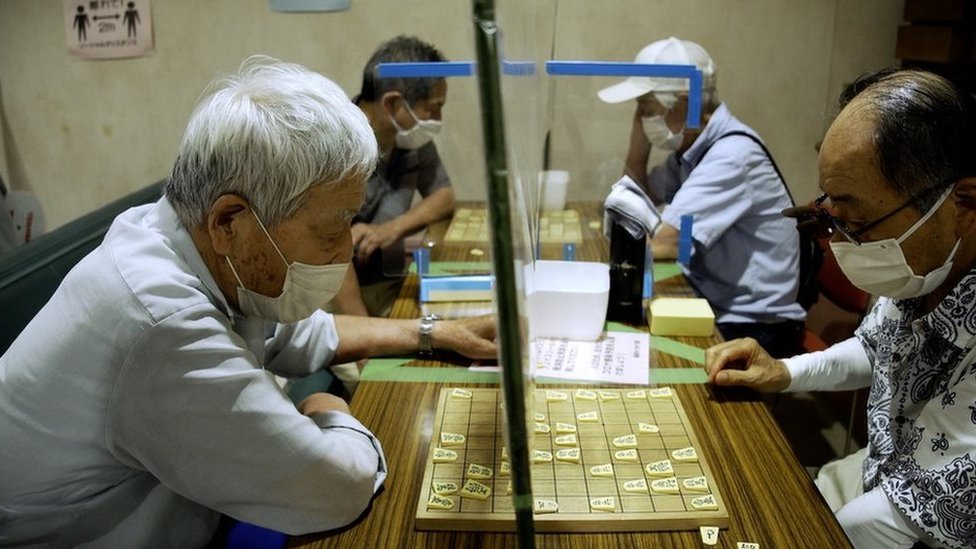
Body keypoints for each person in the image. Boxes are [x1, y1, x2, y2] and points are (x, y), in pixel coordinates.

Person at [0, 57, 496, 547]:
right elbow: (334, 488)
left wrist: (433, 332)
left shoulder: (184, 236)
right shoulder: (162, 321)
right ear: (229, 222)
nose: (346, 250)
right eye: (332, 229)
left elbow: (302, 335)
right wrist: (329, 409)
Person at [706, 68, 976, 548]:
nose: (843, 245)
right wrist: (784, 372)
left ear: (965, 202)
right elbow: (877, 349)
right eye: (835, 219)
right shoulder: (927, 264)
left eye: (860, 222)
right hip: (877, 476)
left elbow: (901, 519)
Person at [598, 36, 806, 358]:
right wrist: (639, 145)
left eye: (647, 109)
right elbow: (637, 202)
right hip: (713, 301)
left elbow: (661, 244)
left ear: (687, 102)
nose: (642, 119)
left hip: (755, 325)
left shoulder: (731, 156)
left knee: (643, 355)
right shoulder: (695, 150)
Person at [331, 35, 456, 318]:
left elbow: (445, 197)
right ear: (393, 104)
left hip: (387, 281)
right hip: (336, 298)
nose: (437, 119)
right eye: (433, 107)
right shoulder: (338, 145)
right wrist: (367, 337)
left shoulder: (411, 138)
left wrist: (389, 230)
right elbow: (329, 249)